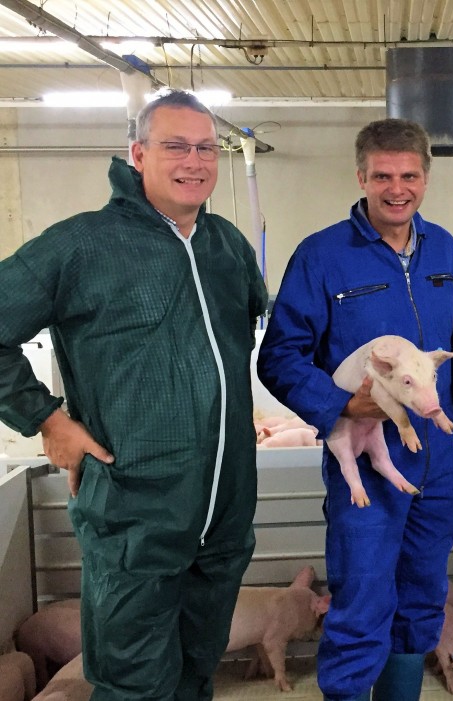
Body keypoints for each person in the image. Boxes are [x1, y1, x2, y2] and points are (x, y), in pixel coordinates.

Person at [0, 89, 268, 700]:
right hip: (134, 513)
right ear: (137, 154)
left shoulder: (226, 245)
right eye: (176, 146)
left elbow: (254, 349)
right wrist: (47, 419)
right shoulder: (82, 245)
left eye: (206, 147)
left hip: (223, 513)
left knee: (199, 671)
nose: (194, 161)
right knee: (133, 685)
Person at [257, 118, 453, 701]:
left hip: (436, 458)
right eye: (382, 176)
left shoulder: (444, 248)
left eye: (409, 175)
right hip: (366, 459)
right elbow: (279, 356)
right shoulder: (322, 255)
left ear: (426, 176)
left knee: (423, 591)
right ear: (361, 177)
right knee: (363, 594)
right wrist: (341, 402)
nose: (396, 188)